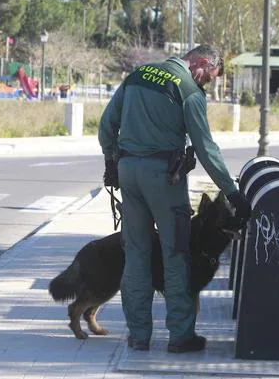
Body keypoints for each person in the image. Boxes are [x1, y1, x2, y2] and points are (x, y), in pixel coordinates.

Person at [98, 44, 251, 353]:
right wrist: (233, 192)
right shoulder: (188, 91)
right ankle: (180, 336)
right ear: (202, 63)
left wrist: (111, 162)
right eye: (211, 77)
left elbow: (106, 127)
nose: (208, 83)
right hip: (164, 179)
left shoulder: (137, 75)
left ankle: (139, 335)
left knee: (137, 254)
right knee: (176, 253)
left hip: (128, 173)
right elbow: (206, 149)